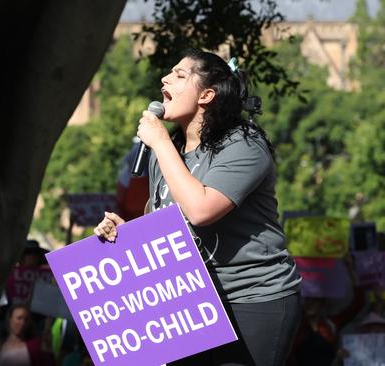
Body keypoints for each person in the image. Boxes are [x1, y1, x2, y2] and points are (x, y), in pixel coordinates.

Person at [94, 49, 302, 365]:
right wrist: (127, 234)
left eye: (179, 75)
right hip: (190, 303)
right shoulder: (167, 152)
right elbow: (163, 223)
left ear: (206, 95)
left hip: (251, 299)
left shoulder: (243, 144)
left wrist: (160, 143)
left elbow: (201, 211)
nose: (164, 78)